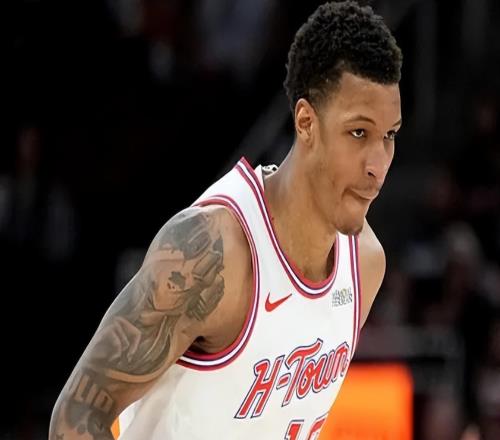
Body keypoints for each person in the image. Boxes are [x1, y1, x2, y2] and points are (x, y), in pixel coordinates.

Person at [49, 1, 403, 438]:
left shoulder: (365, 264)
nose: (377, 165)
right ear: (306, 123)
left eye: (389, 135)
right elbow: (76, 415)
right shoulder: (212, 252)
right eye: (358, 133)